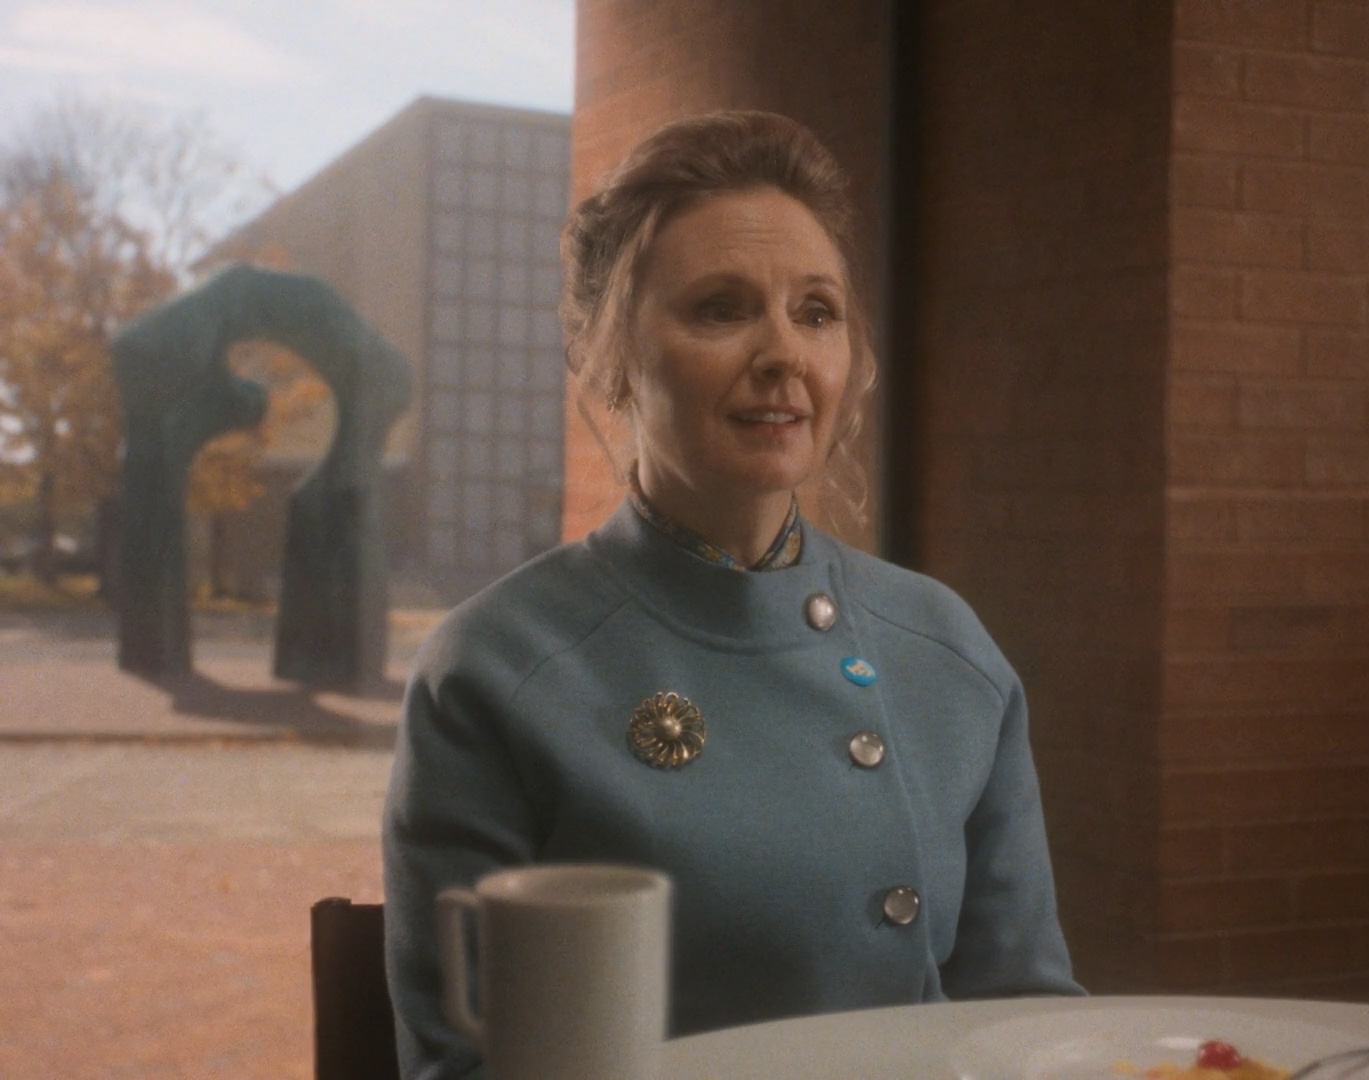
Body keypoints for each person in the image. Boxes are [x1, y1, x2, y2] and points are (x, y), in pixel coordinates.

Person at [383, 110, 1081, 1078]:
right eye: (721, 308)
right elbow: (463, 1067)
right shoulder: (494, 672)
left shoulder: (947, 650)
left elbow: (1030, 1030)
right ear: (611, 355)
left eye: (817, 312)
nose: (784, 352)